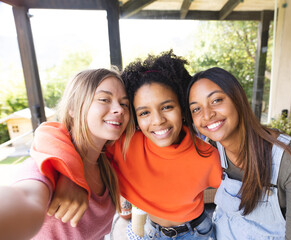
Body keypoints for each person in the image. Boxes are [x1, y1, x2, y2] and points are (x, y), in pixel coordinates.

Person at [29, 51, 223, 240]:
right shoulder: (124, 145)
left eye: (167, 107)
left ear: (181, 107)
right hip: (151, 231)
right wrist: (69, 173)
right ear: (136, 118)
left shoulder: (206, 154)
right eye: (144, 112)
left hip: (197, 231)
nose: (158, 120)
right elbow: (49, 131)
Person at [0, 68, 134, 240]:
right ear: (73, 108)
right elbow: (26, 199)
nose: (119, 109)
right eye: (104, 99)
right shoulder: (47, 165)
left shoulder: (107, 165)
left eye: (124, 104)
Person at [186, 67, 291, 240]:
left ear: (238, 99)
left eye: (216, 100)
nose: (207, 115)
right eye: (196, 109)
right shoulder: (212, 150)